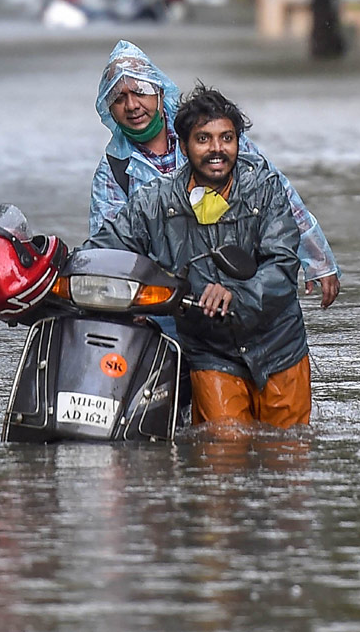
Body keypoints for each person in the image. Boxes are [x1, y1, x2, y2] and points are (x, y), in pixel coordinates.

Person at [87, 84, 312, 427]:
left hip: (278, 345)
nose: (217, 149)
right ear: (184, 145)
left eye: (227, 138)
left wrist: (236, 295)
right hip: (209, 351)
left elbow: (282, 266)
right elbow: (104, 249)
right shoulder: (155, 202)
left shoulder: (264, 188)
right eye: (203, 139)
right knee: (222, 455)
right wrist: (50, 268)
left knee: (289, 454)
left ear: (238, 142)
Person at [89, 40, 340, 308]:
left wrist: (318, 260)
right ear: (109, 110)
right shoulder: (113, 170)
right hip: (166, 299)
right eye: (119, 98)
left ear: (160, 94)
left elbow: (280, 200)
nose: (132, 105)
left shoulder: (214, 135)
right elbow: (109, 249)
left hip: (238, 283)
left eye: (140, 92)